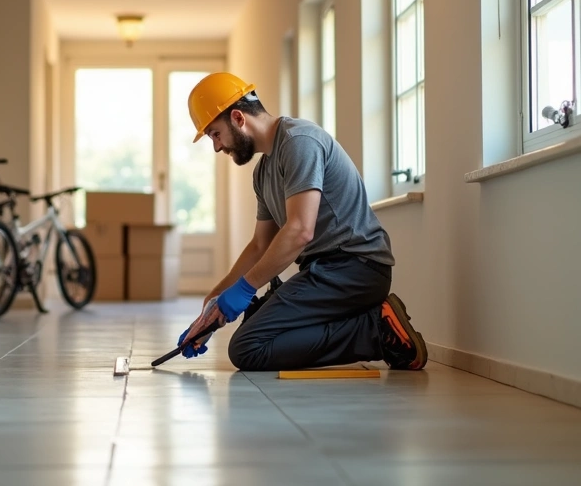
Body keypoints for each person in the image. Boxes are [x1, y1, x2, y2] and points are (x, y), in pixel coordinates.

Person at [177, 72, 428, 371]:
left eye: (215, 134)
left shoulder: (299, 142)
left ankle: (376, 330)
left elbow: (299, 231)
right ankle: (368, 325)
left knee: (247, 349)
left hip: (357, 268)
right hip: (324, 271)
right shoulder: (263, 172)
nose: (217, 147)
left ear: (238, 118)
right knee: (254, 333)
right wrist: (215, 300)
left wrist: (244, 289)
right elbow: (260, 245)